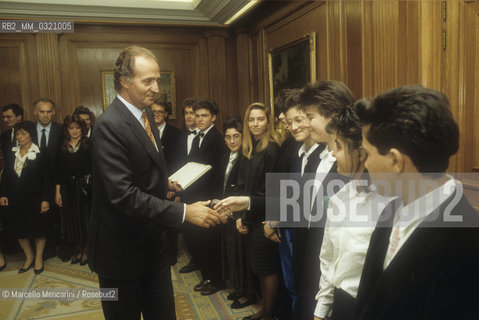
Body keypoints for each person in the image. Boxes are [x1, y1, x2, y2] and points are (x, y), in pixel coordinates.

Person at [87, 45, 222, 320]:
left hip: (153, 247)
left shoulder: (146, 116)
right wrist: (185, 212)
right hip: (120, 253)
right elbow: (123, 195)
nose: (155, 87)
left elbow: (143, 171)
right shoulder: (108, 126)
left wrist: (164, 184)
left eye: (157, 79)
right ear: (124, 82)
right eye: (147, 80)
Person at [353, 85, 479, 319]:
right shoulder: (391, 210)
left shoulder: (470, 243)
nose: (366, 164)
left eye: (367, 154)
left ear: (395, 160)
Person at [313, 103, 393, 320]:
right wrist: (321, 310)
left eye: (338, 146)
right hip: (342, 304)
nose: (332, 153)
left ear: (360, 154)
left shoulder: (390, 205)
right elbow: (329, 259)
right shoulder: (340, 198)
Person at [292, 80, 354, 320]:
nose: (305, 124)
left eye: (310, 116)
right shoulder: (319, 155)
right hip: (308, 258)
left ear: (334, 115)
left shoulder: (352, 168)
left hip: (330, 275)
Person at [236, 102, 281, 320]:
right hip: (252, 215)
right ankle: (265, 310)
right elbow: (244, 185)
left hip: (266, 218)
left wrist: (248, 216)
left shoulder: (271, 149)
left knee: (267, 268)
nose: (255, 124)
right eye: (251, 119)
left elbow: (270, 192)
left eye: (260, 119)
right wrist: (241, 217)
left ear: (268, 122)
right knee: (260, 268)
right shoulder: (249, 147)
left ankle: (268, 314)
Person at [183, 99, 227, 295]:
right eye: (197, 115)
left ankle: (215, 280)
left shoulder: (218, 140)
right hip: (194, 197)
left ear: (214, 118)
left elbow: (218, 173)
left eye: (204, 116)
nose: (199, 119)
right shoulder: (198, 138)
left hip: (209, 198)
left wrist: (213, 202)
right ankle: (207, 277)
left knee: (210, 243)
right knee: (199, 241)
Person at [0, 121, 50, 274]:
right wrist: (3, 193)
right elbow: (6, 176)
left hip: (35, 199)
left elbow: (47, 179)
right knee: (19, 229)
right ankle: (29, 257)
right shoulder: (11, 152)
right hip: (15, 198)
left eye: (23, 133)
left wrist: (45, 199)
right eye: (17, 134)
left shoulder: (41, 153)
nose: (19, 137)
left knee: (38, 229)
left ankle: (38, 259)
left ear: (31, 135)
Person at [217, 116, 256, 309]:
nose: (232, 141)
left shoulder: (246, 158)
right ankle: (238, 287)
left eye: (236, 136)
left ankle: (248, 293)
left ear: (243, 137)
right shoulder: (225, 157)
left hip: (239, 213)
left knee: (242, 254)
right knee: (231, 252)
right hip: (226, 211)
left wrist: (234, 213)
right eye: (228, 137)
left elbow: (244, 189)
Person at [54, 115, 92, 266]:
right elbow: (57, 172)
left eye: (77, 128)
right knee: (72, 221)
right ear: (67, 130)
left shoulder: (89, 144)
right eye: (71, 128)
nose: (75, 131)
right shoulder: (62, 146)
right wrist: (57, 192)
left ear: (82, 129)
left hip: (84, 189)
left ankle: (86, 250)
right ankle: (77, 248)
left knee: (85, 220)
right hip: (67, 189)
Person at [32, 98, 64, 260]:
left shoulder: (61, 130)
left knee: (57, 215)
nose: (45, 115)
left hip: (57, 180)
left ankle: (58, 246)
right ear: (35, 112)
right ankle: (43, 250)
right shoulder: (27, 130)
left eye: (48, 112)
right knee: (39, 215)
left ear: (54, 112)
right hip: (34, 184)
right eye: (42, 111)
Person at [177, 97, 201, 274]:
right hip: (181, 187)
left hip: (199, 189)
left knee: (197, 229)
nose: (189, 116)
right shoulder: (180, 135)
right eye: (186, 113)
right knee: (186, 228)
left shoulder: (203, 137)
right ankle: (194, 258)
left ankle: (198, 260)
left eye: (192, 113)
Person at [150, 98, 182, 175]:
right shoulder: (144, 131)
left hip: (168, 178)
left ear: (166, 114)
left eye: (160, 112)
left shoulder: (176, 134)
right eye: (154, 111)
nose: (156, 115)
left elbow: (178, 161)